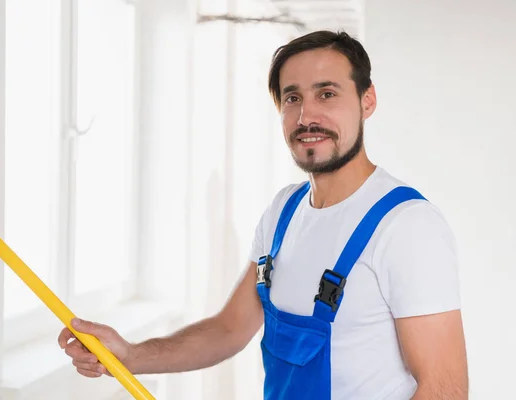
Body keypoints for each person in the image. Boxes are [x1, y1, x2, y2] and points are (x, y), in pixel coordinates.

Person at [58, 30, 468, 399]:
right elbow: (229, 329)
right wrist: (129, 356)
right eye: (293, 98)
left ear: (367, 100)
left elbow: (445, 389)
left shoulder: (407, 226)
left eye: (327, 94)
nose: (307, 117)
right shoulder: (283, 213)